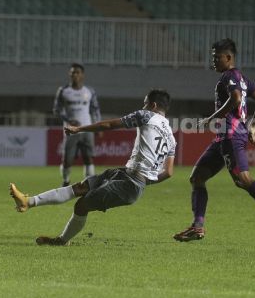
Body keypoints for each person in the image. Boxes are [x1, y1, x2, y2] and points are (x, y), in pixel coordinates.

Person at [11, 89, 175, 246]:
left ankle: (61, 241)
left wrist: (79, 129)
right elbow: (168, 172)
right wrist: (145, 181)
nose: (143, 107)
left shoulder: (146, 115)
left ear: (153, 105)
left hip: (129, 183)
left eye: (145, 103)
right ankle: (28, 201)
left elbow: (109, 125)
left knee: (82, 205)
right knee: (81, 187)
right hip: (127, 175)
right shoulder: (171, 137)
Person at [173, 38, 255, 242]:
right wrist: (253, 126)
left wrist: (212, 118)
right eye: (212, 57)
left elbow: (236, 99)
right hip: (222, 138)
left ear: (229, 57)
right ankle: (198, 227)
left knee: (243, 180)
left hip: (231, 136)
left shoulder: (230, 76)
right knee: (197, 178)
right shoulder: (242, 78)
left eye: (217, 57)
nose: (213, 61)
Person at [53, 63, 101, 187]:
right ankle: (66, 181)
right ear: (69, 74)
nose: (75, 74)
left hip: (87, 129)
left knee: (88, 158)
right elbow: (56, 110)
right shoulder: (63, 91)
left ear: (82, 75)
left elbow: (95, 109)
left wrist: (98, 126)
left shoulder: (89, 91)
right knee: (67, 160)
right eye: (73, 72)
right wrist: (69, 119)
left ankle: (89, 185)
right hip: (70, 131)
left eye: (77, 72)